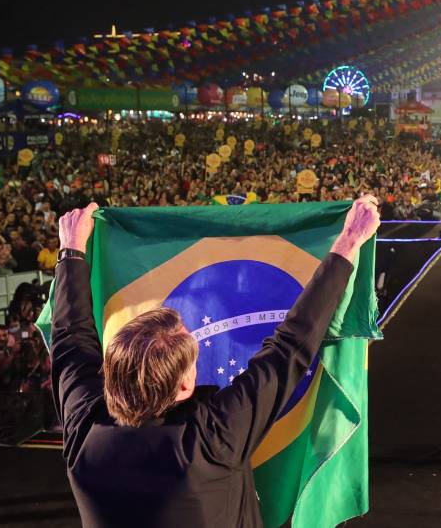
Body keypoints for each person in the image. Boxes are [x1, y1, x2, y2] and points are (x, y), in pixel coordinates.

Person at [51, 197, 381, 527]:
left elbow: (70, 339)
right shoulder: (210, 440)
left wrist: (71, 250)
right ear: (183, 384)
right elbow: (291, 347)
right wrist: (349, 239)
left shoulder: (85, 433)